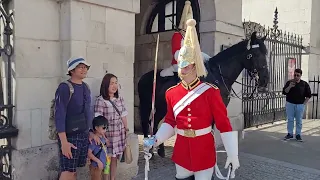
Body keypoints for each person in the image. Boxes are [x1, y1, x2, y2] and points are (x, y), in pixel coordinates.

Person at [144, 19, 240, 180]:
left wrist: (233, 154)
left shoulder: (211, 92)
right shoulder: (172, 93)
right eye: (181, 65)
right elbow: (170, 122)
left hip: (204, 150)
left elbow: (224, 124)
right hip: (181, 151)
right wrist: (156, 139)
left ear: (195, 66)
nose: (182, 70)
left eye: (186, 66)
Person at [55, 57, 102, 180]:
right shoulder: (64, 87)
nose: (84, 69)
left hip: (82, 135)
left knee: (74, 171)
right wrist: (64, 142)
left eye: (85, 67)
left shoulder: (85, 87)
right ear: (72, 70)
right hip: (69, 135)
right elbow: (59, 115)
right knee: (68, 172)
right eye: (80, 67)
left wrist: (90, 133)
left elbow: (87, 113)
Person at [160, 0, 211, 77]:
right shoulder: (177, 35)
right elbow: (176, 54)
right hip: (180, 64)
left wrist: (208, 58)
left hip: (193, 65)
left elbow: (198, 51)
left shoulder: (193, 37)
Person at [94, 73, 129, 180]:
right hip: (107, 136)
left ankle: (112, 178)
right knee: (106, 159)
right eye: (111, 83)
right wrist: (103, 138)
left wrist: (126, 130)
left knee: (114, 158)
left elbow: (123, 116)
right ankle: (106, 178)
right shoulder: (100, 100)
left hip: (118, 134)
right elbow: (98, 121)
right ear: (106, 85)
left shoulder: (119, 99)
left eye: (116, 83)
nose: (114, 86)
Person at [282, 68, 311, 141]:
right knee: (290, 119)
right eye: (294, 75)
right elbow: (284, 92)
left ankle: (298, 134)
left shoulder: (304, 84)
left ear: (300, 75)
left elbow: (308, 95)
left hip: (300, 105)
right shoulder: (289, 82)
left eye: (297, 75)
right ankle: (290, 134)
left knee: (299, 120)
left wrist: (303, 104)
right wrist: (290, 86)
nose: (296, 77)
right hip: (290, 104)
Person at [88, 115, 110, 180]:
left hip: (103, 164)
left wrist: (106, 140)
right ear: (96, 128)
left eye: (106, 128)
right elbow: (89, 153)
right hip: (96, 166)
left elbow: (106, 146)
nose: (105, 130)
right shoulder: (94, 141)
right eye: (103, 128)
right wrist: (98, 161)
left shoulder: (102, 138)